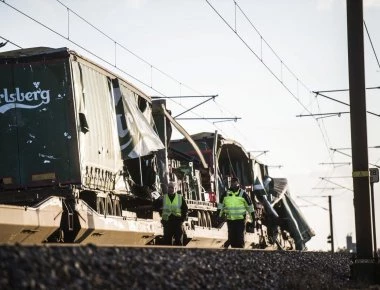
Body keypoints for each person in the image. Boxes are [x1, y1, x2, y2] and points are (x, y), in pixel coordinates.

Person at [218, 177, 255, 248]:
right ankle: (234, 253)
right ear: (230, 184)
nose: (234, 185)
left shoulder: (243, 194)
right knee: (232, 238)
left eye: (235, 183)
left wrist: (253, 219)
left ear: (238, 184)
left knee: (239, 238)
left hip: (240, 220)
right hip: (230, 220)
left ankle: (240, 252)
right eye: (232, 183)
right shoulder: (226, 194)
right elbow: (221, 206)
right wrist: (218, 215)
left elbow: (250, 207)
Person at [161, 181, 188, 246]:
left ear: (175, 189)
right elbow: (156, 206)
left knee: (178, 241)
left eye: (172, 188)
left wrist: (182, 219)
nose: (170, 189)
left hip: (177, 222)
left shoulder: (180, 198)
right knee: (167, 241)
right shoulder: (163, 197)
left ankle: (179, 254)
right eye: (169, 187)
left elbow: (185, 209)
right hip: (167, 222)